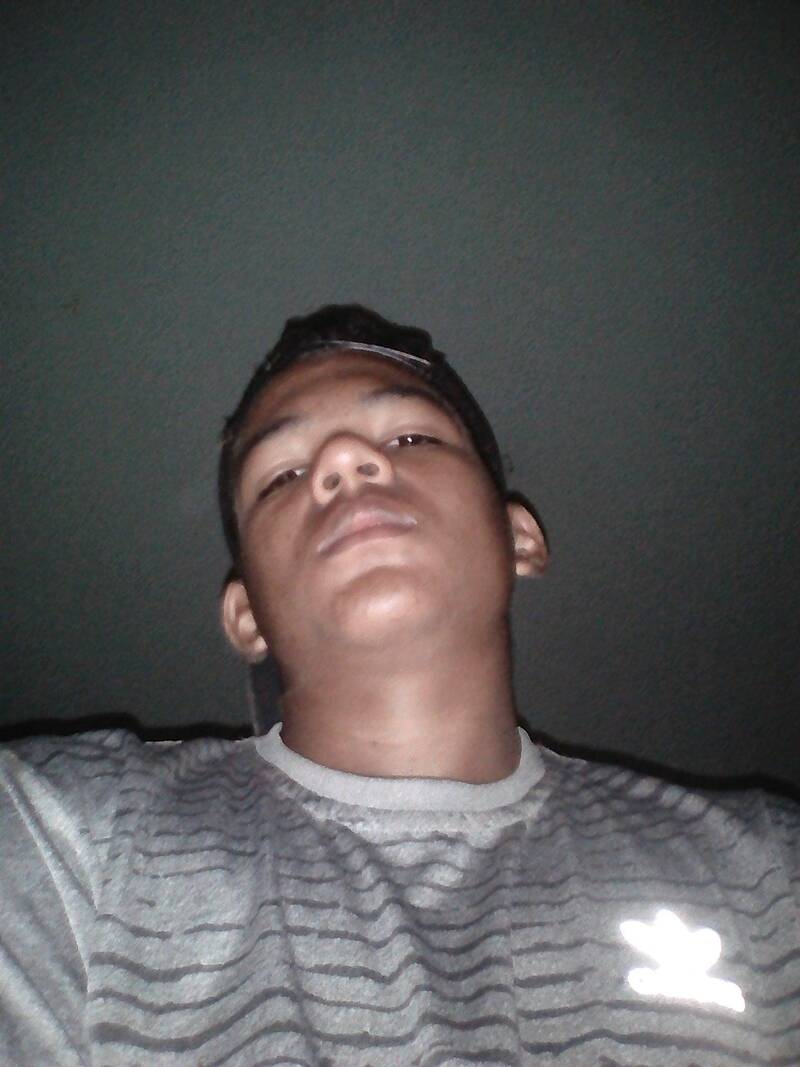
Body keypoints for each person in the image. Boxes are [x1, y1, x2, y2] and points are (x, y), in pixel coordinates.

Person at [1, 305, 798, 1066]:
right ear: (246, 614)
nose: (346, 461)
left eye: (412, 437)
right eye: (282, 476)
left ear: (518, 534)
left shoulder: (765, 865)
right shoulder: (71, 831)